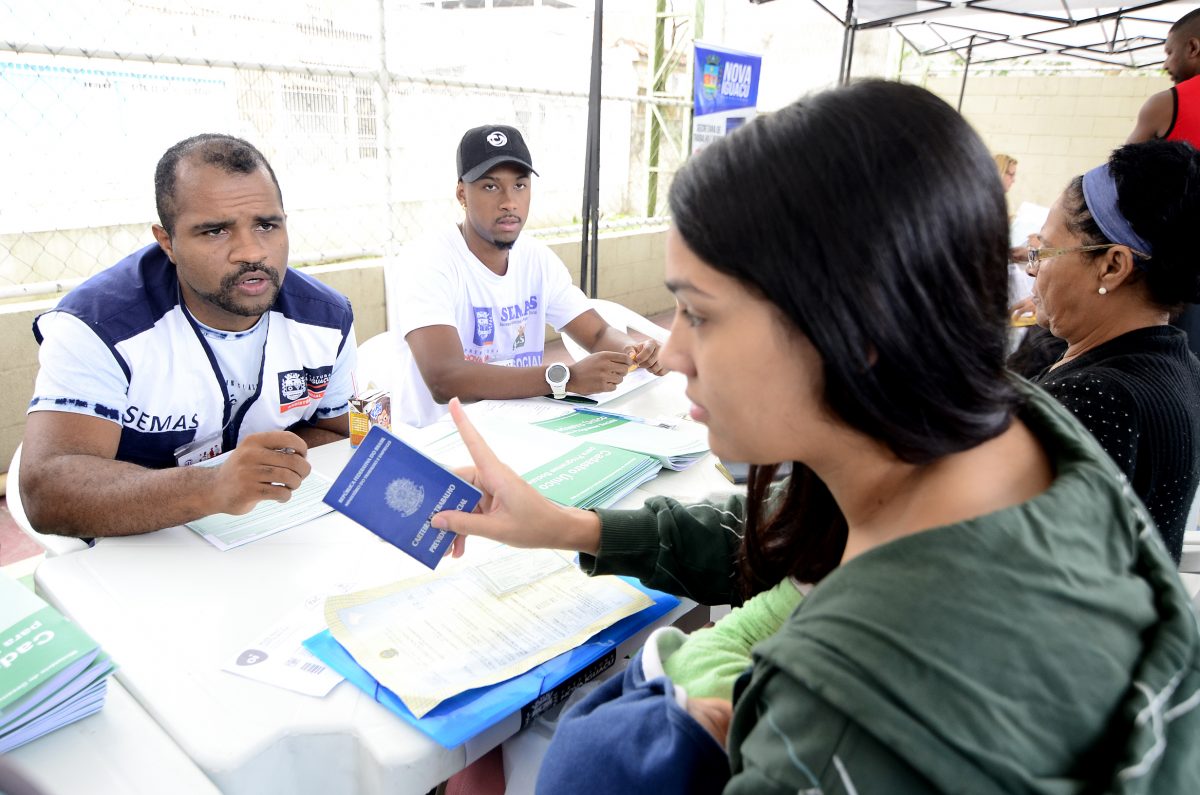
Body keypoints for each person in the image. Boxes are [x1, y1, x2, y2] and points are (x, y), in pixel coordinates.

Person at [432, 81, 1200, 793]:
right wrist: (566, 525)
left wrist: (651, 726)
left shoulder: (841, 725)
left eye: (699, 313)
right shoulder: (1003, 431)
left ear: (856, 326)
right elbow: (787, 531)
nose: (672, 352)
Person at [20, 134, 357, 538]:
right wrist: (212, 486)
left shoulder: (326, 318)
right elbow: (48, 491)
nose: (252, 252)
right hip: (134, 548)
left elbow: (339, 433)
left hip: (265, 534)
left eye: (267, 225)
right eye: (215, 231)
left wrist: (261, 475)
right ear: (168, 242)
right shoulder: (98, 326)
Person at [385, 124, 663, 428]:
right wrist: (563, 378)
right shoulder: (427, 261)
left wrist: (633, 351)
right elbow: (445, 379)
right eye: (490, 187)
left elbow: (597, 334)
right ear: (462, 193)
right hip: (436, 442)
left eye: (520, 185)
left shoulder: (536, 259)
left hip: (518, 432)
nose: (509, 201)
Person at [1027, 140, 1200, 562]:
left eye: (1044, 251)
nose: (1032, 267)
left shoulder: (1095, 397)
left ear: (1112, 266)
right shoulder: (1182, 365)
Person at [1128, 8, 1200, 356]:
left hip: (1177, 269)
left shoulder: (1169, 103)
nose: (1166, 63)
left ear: (1193, 48)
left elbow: (1117, 179)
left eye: (1169, 52)